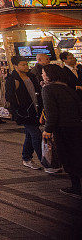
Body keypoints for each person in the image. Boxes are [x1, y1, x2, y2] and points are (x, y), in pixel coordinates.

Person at [42, 63, 82, 197]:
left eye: (44, 73)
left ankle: (76, 187)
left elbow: (51, 112)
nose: (42, 75)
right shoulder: (68, 88)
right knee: (77, 154)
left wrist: (48, 129)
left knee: (68, 157)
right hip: (76, 126)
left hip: (62, 128)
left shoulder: (48, 90)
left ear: (49, 75)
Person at [4, 55, 43, 170]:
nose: (26, 66)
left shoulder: (31, 76)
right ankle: (46, 162)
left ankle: (26, 158)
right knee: (36, 135)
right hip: (24, 112)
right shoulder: (12, 79)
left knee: (30, 135)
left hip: (35, 110)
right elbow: (9, 97)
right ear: (15, 66)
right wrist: (17, 111)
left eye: (26, 64)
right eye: (23, 65)